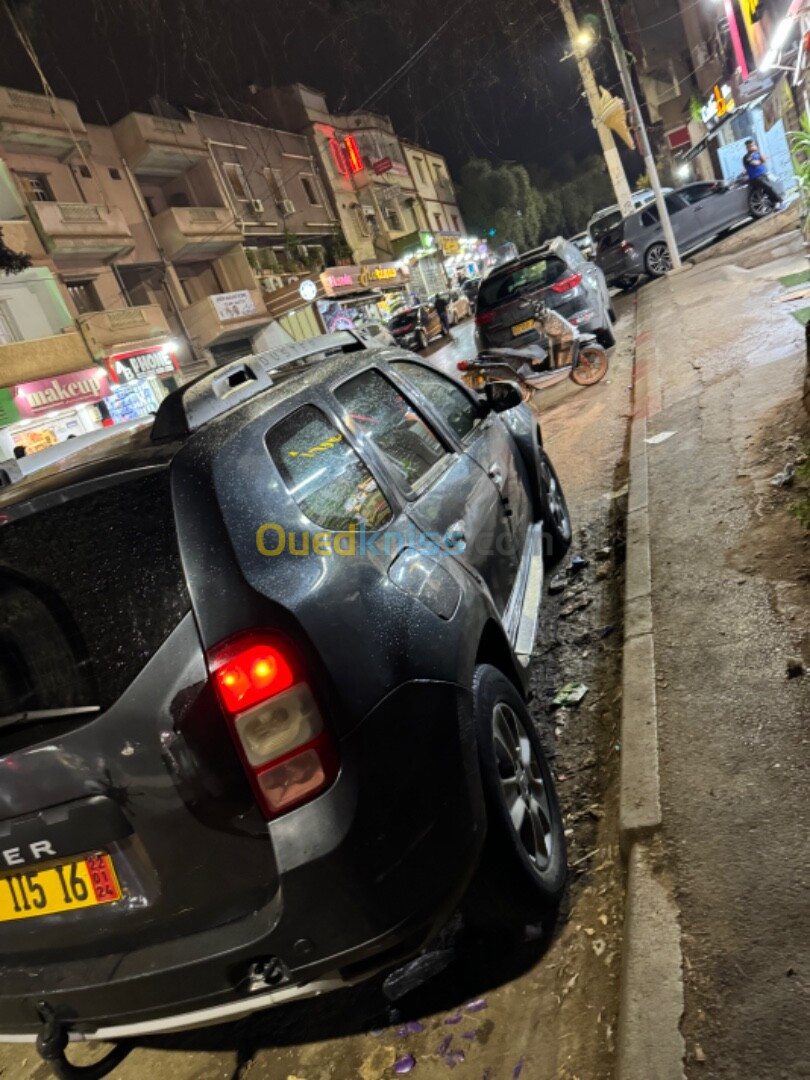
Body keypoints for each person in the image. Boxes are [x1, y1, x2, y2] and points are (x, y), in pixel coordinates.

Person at [742, 139, 783, 210]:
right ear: (747, 148)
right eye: (751, 146)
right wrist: (761, 161)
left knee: (768, 190)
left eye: (753, 145)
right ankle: (780, 201)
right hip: (756, 178)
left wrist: (759, 153)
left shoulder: (756, 154)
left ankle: (774, 205)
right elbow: (755, 163)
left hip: (763, 174)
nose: (753, 147)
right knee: (769, 188)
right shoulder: (746, 157)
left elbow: (763, 160)